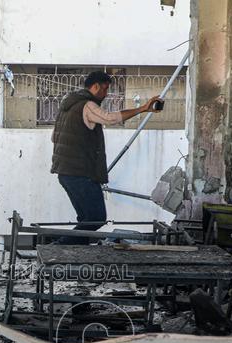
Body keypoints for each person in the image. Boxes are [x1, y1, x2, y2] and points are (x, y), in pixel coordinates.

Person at [51, 71, 161, 244]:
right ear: (95, 86)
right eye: (105, 89)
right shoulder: (86, 105)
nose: (106, 94)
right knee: (96, 218)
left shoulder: (68, 106)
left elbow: (55, 138)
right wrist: (143, 108)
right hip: (81, 174)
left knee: (87, 219)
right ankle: (58, 247)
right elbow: (110, 118)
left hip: (65, 172)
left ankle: (74, 251)